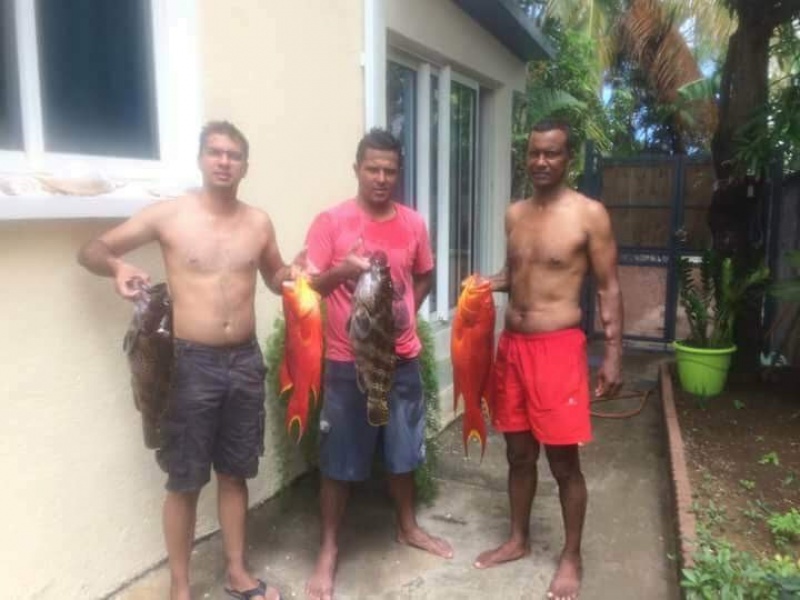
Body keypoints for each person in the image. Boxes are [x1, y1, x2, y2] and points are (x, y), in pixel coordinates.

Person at [77, 121, 291, 600]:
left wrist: (292, 276)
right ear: (199, 158)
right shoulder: (169, 216)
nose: (223, 161)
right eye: (215, 152)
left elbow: (276, 277)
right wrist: (116, 266)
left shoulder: (258, 222)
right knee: (185, 478)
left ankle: (237, 573)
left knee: (236, 472)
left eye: (234, 155)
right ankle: (180, 588)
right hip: (189, 365)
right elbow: (91, 249)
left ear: (246, 166)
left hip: (244, 362)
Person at [473, 118, 623, 600]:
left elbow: (608, 287)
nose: (541, 161)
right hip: (511, 348)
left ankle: (572, 554)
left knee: (563, 462)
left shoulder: (589, 215)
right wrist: (486, 285)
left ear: (568, 158)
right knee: (518, 453)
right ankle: (518, 538)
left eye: (551, 153)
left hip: (558, 350)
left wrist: (613, 353)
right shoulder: (514, 213)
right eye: (534, 152)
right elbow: (517, 273)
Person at [303, 129, 453, 600]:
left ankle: (407, 526)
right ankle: (328, 549)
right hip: (348, 365)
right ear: (357, 170)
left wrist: (402, 312)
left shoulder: (412, 224)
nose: (382, 178)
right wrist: (344, 272)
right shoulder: (331, 222)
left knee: (402, 450)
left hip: (401, 361)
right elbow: (310, 289)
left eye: (390, 170)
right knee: (339, 459)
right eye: (373, 168)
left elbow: (424, 274)